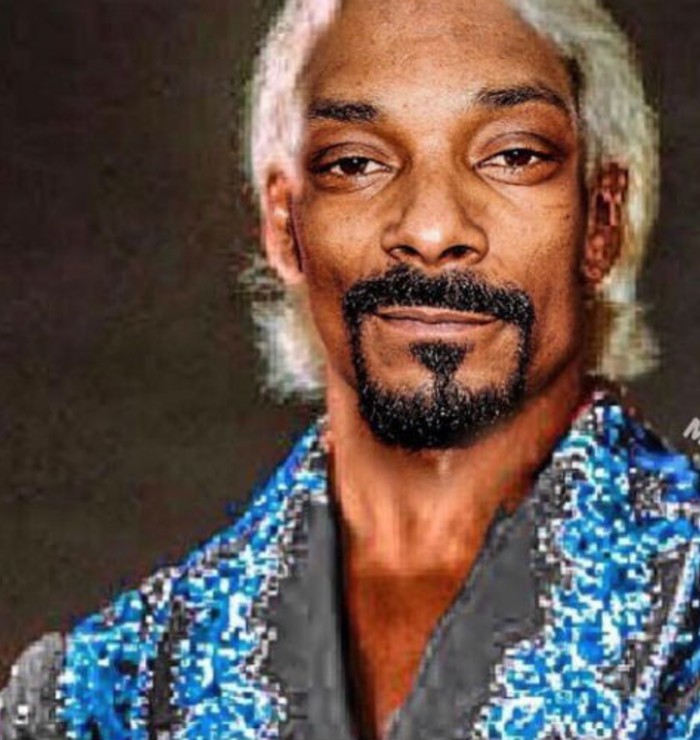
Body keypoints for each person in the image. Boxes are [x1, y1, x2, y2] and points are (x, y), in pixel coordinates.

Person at [2, 0, 700, 737]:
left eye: (513, 156)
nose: (432, 230)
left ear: (600, 219)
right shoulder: (105, 696)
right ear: (284, 226)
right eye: (356, 164)